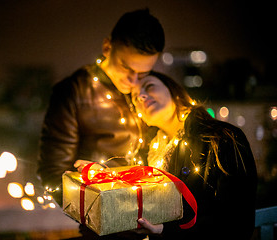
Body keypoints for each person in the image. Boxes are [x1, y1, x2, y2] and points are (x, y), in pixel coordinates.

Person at [37, 8, 164, 204]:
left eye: (143, 73)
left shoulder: (153, 88)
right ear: (107, 47)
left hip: (153, 211)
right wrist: (104, 208)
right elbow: (53, 173)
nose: (133, 80)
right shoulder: (74, 91)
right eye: (126, 67)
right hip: (100, 221)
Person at [131, 72, 257, 240]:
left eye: (149, 86)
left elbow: (236, 221)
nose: (141, 96)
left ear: (174, 91)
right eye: (134, 97)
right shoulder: (146, 153)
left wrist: (166, 230)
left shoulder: (221, 137)